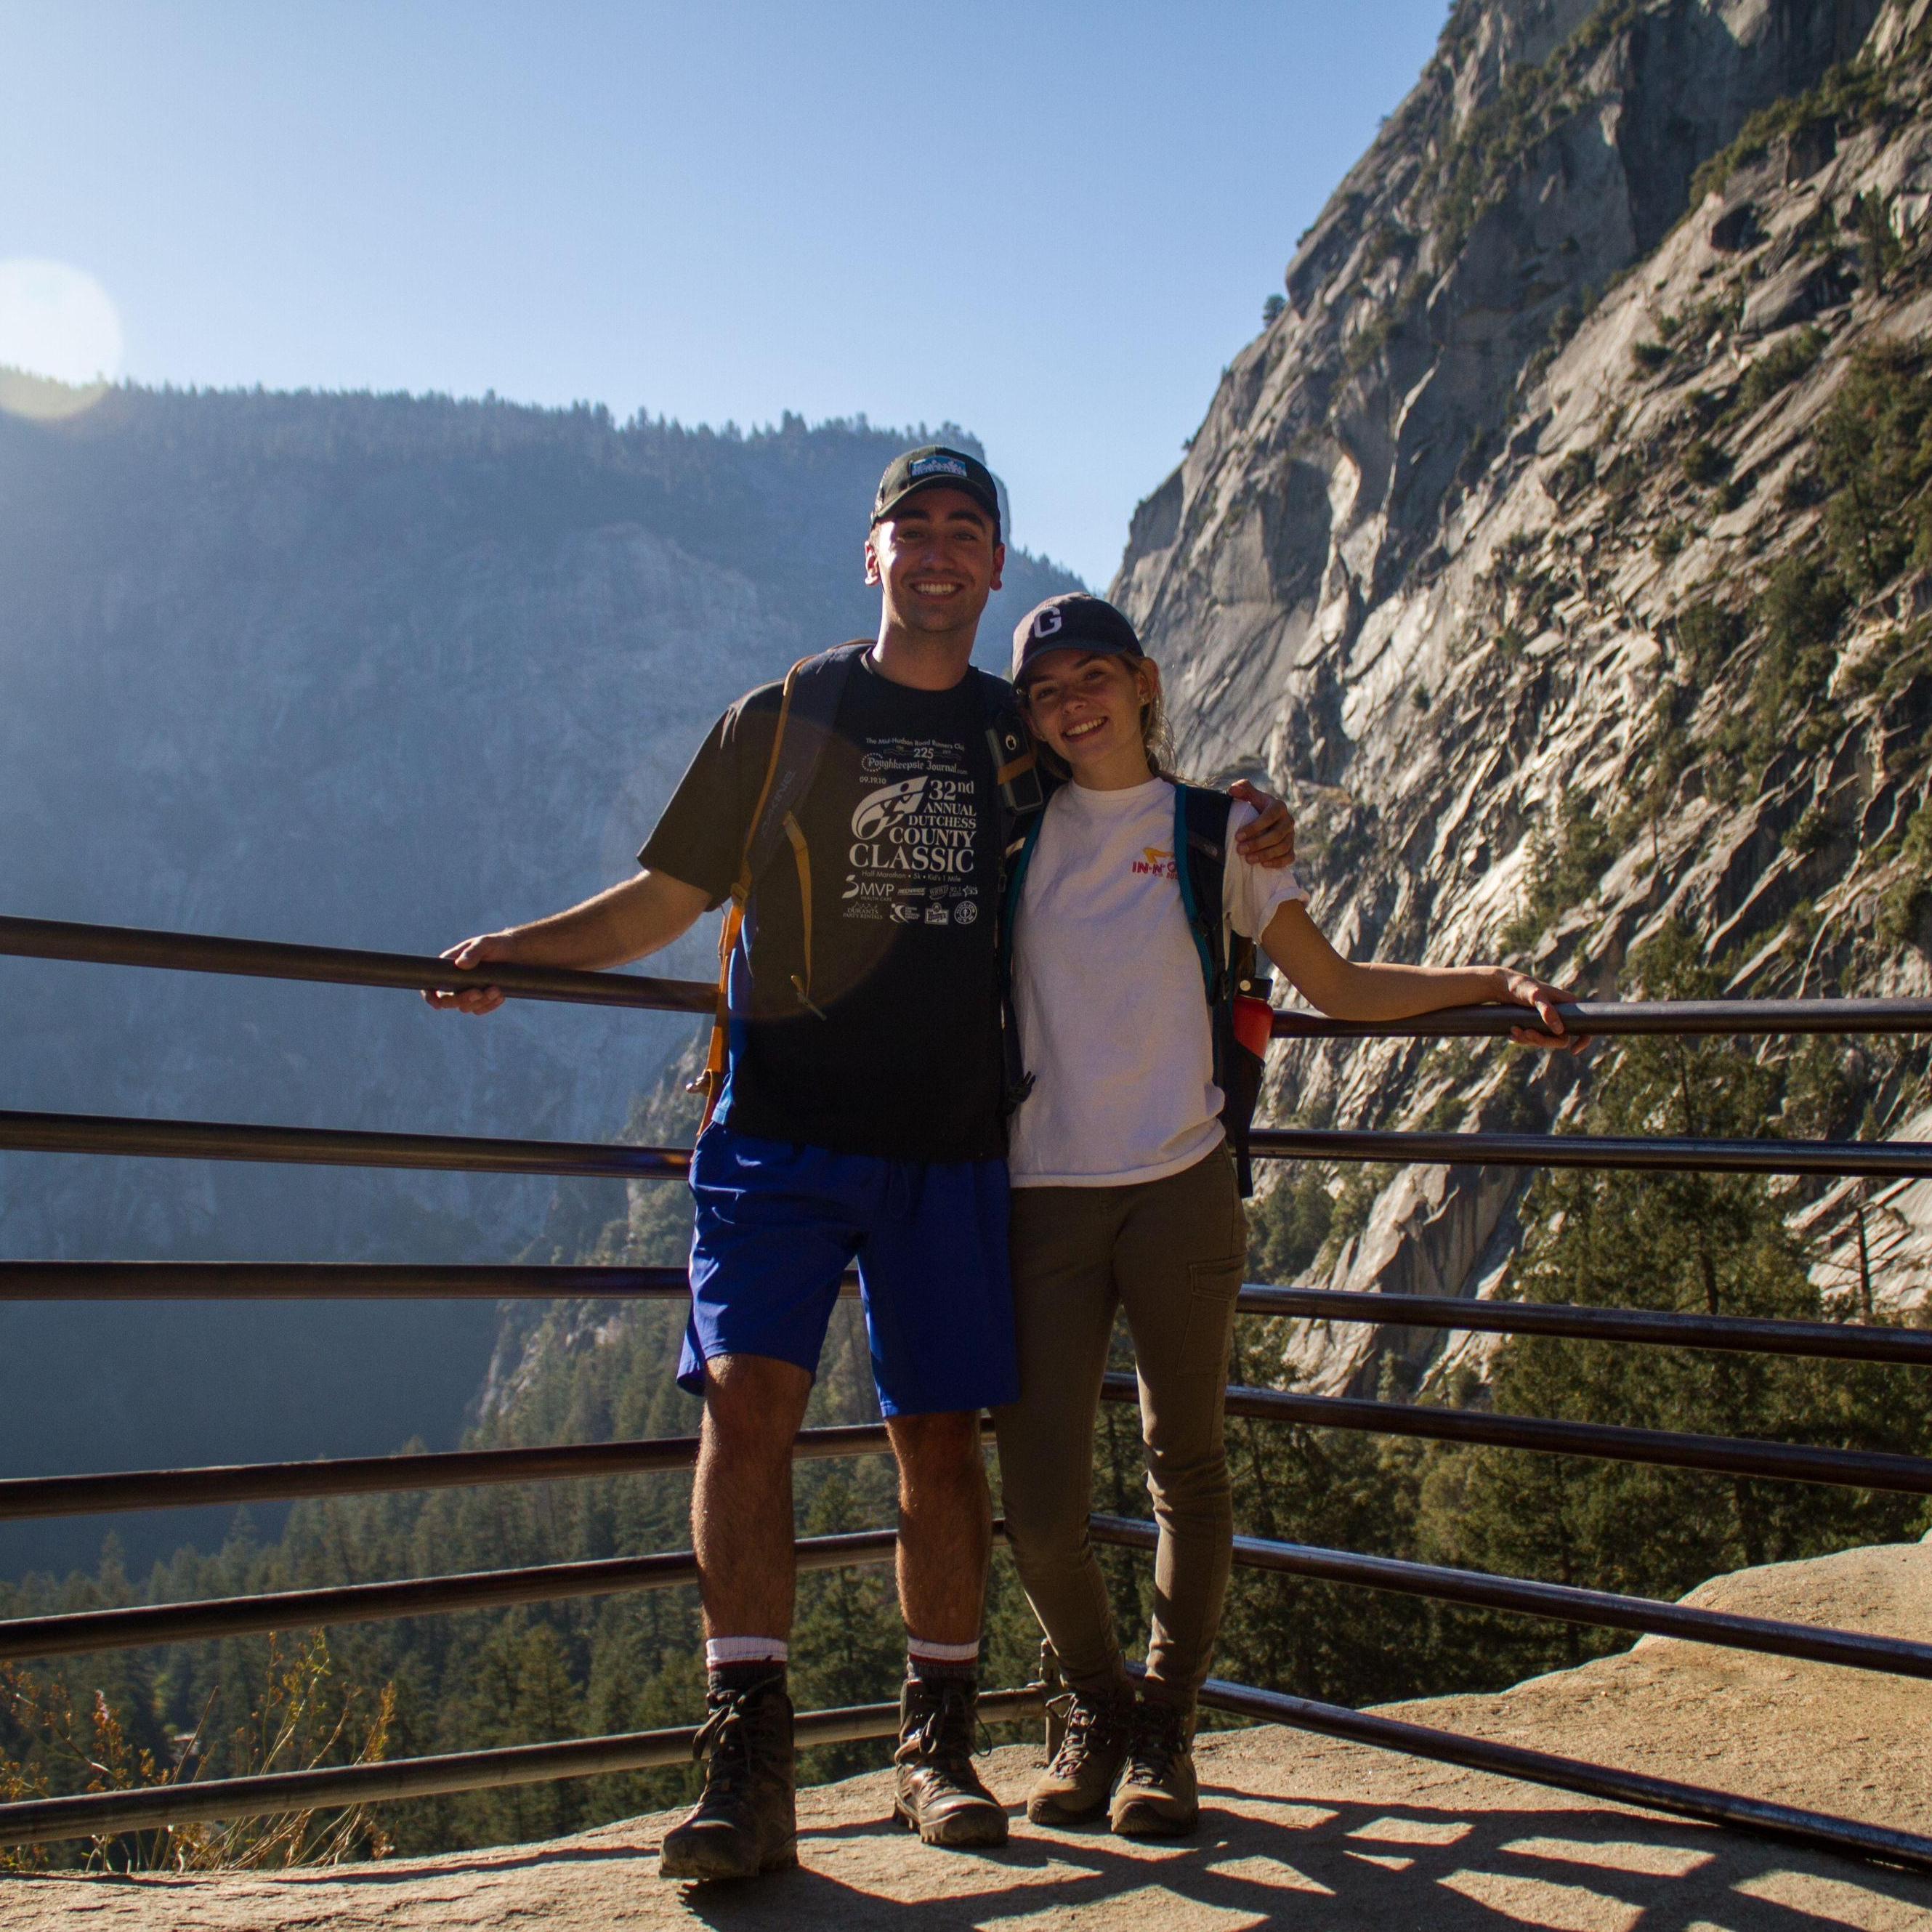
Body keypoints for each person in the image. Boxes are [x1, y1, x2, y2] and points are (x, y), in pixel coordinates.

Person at [425, 450, 1293, 1882]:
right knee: (747, 1410)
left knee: (941, 1443)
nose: (940, 550)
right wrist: (524, 950)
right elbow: (669, 895)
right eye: (915, 528)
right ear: (870, 555)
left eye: (967, 530)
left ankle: (935, 1741)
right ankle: (744, 1752)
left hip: (954, 1145)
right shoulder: (792, 714)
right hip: (774, 1131)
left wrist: (1254, 819)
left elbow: (1144, 795)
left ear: (996, 565)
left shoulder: (1022, 734)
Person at [990, 591, 1581, 1839]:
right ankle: (1092, 1702)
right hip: (1040, 1193)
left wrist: (1494, 979)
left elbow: (1337, 983)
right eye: (1045, 694)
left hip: (1182, 1185)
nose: (1070, 706)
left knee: (1184, 1462)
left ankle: (1162, 1724)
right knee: (1038, 1504)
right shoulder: (1013, 835)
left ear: (1146, 680)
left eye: (1092, 677)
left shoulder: (1223, 832)